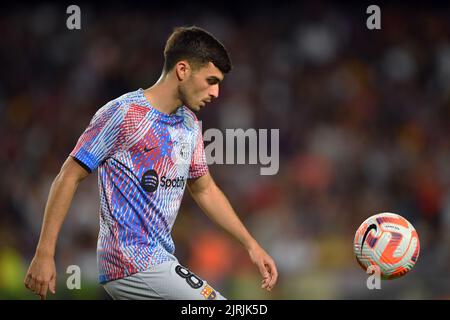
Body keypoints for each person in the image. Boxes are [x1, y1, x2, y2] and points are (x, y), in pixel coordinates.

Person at [24, 26, 278, 300]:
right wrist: (45, 253)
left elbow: (205, 190)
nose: (216, 92)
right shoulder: (123, 113)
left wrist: (251, 245)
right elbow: (68, 176)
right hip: (131, 260)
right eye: (211, 80)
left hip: (159, 258)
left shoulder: (189, 124)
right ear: (183, 70)